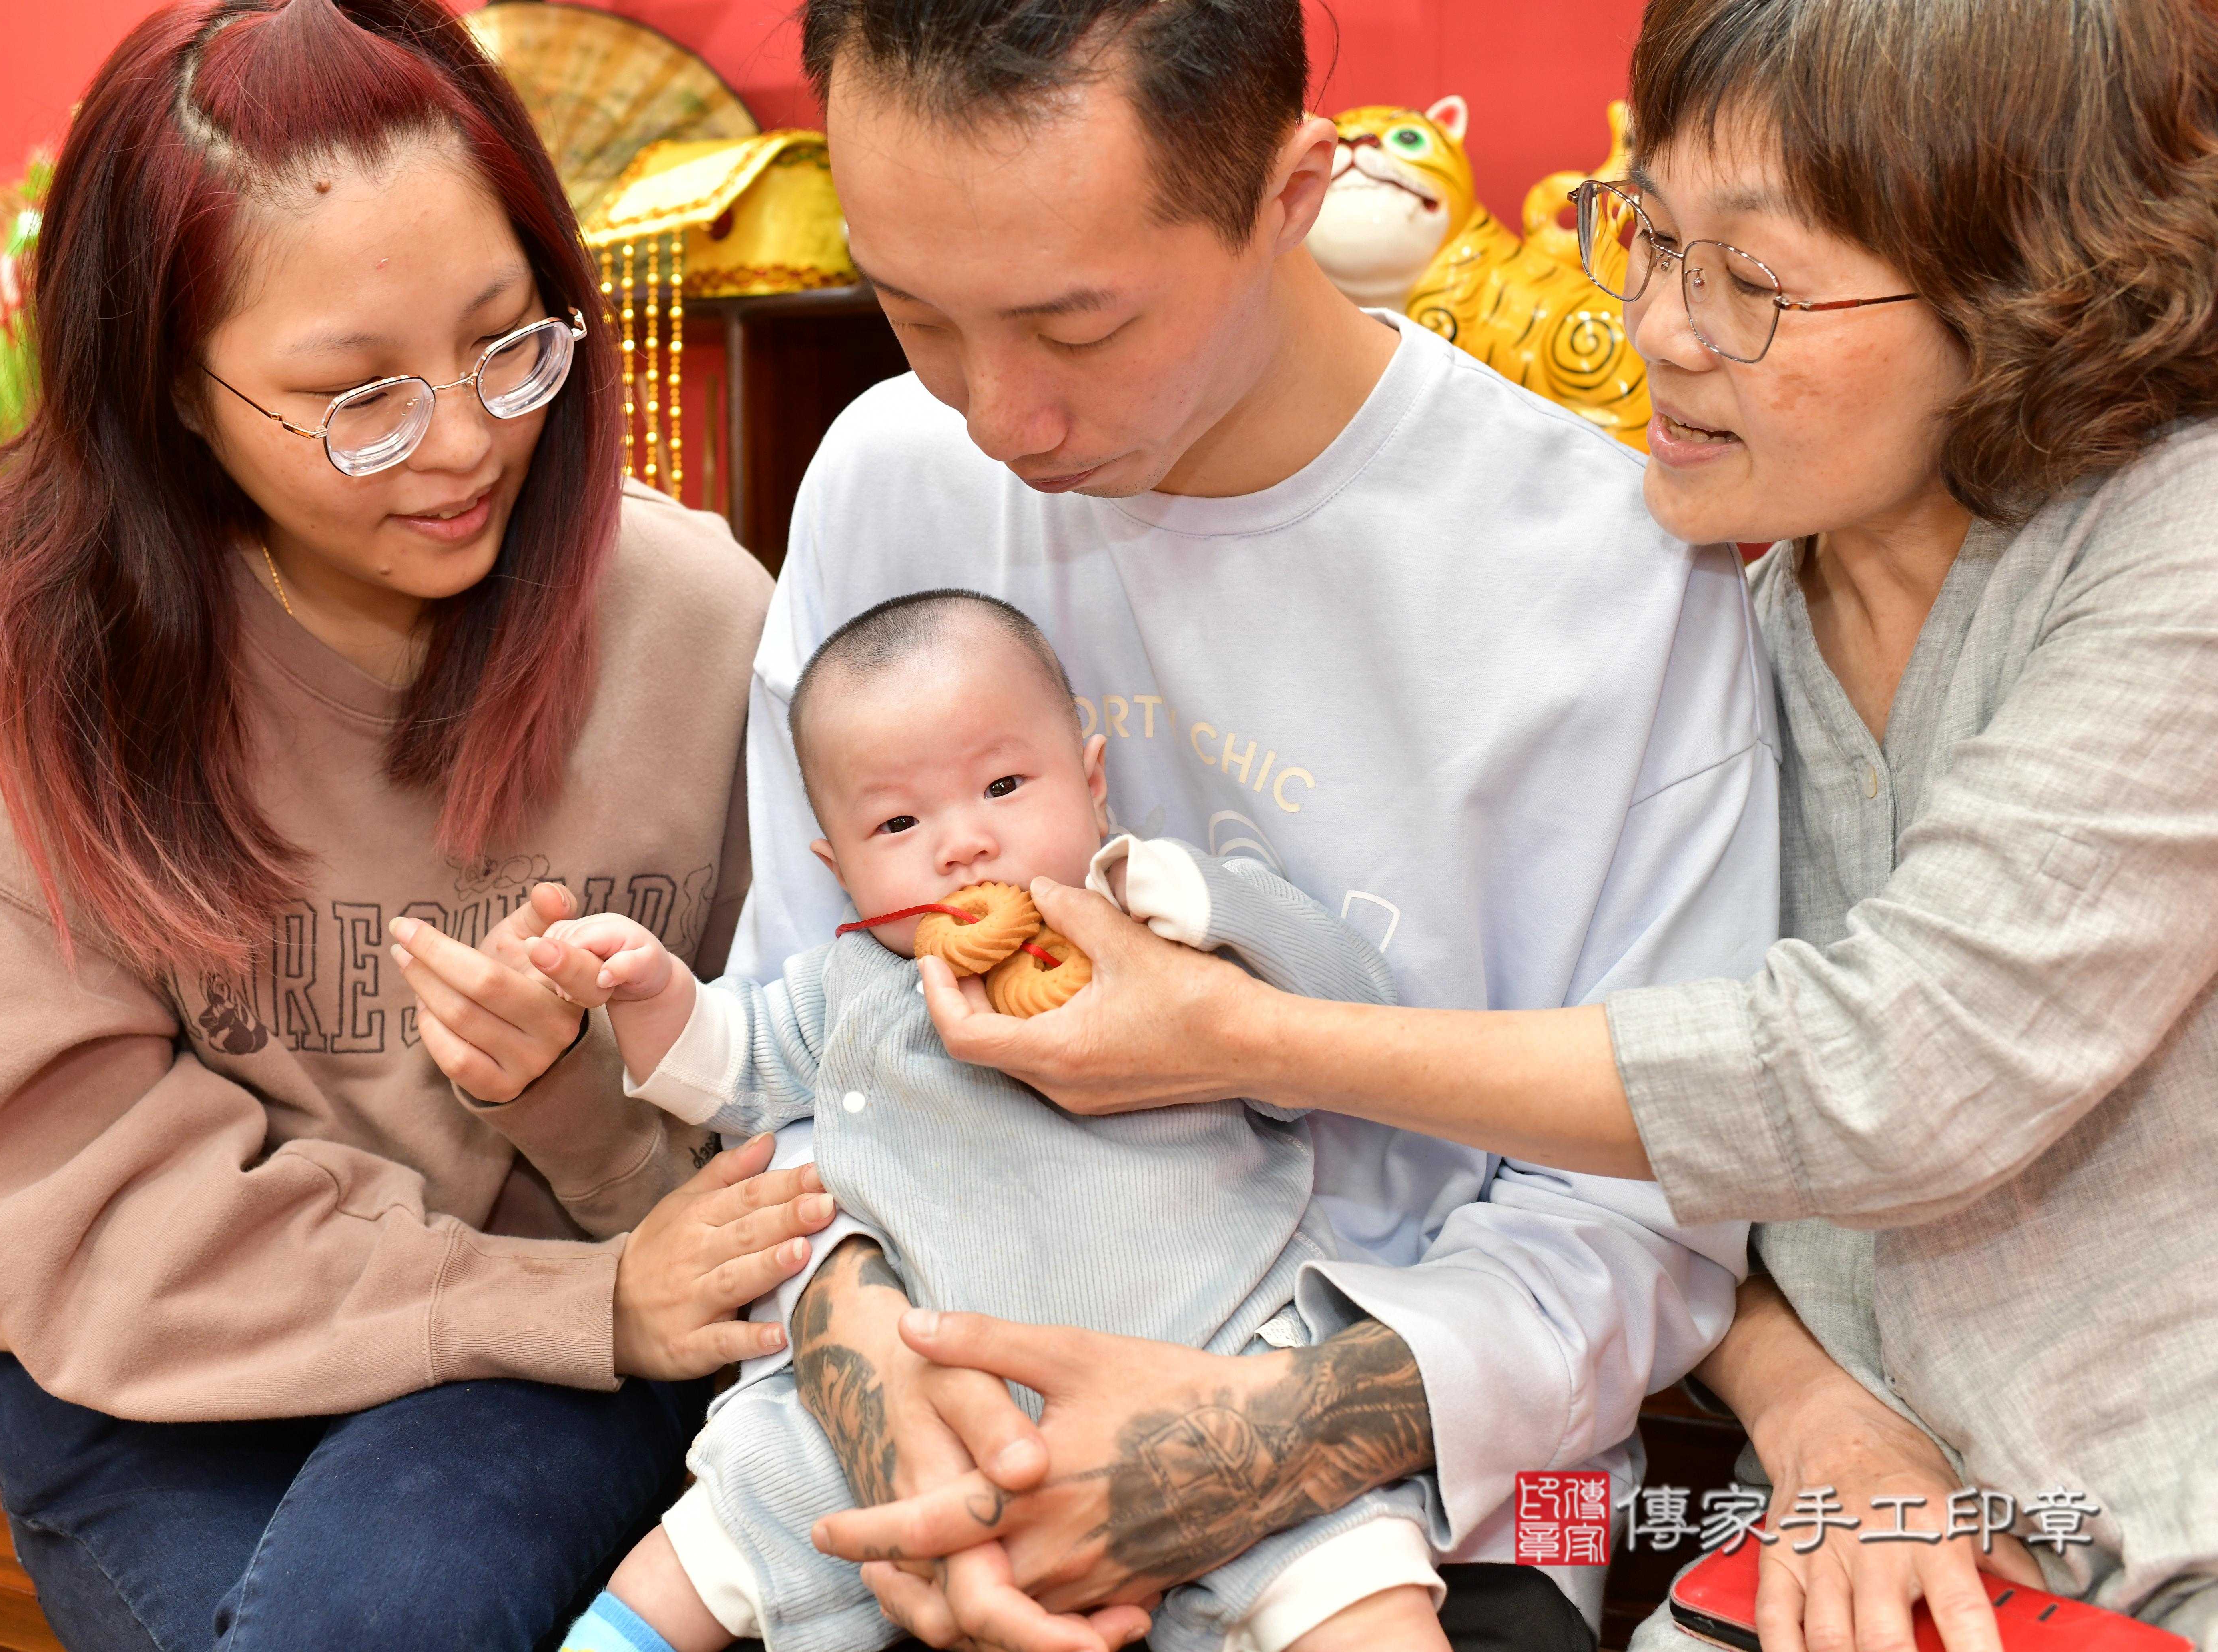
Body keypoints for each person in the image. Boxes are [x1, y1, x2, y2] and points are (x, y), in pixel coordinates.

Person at [852, 2, 2218, 1650]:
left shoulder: (2160, 556)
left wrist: (1247, 1036)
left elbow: (1874, 1076)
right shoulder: (1746, 573)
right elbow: (1708, 1174)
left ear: (2031, 290)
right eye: (1649, 237)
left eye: (1751, 282)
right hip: (1829, 1522)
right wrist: (1807, 1408)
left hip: (2136, 1517)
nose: (1658, 328)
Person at [720, 0, 1783, 1648]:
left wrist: (1229, 1450)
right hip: (926, 1476)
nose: (997, 415)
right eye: (915, 310)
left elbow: (1645, 1209)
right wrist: (894, 1408)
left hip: (1412, 1539)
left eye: (1077, 326)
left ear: (1295, 194)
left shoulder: (1602, 579)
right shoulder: (886, 474)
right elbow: (796, 1061)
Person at [0, 1, 830, 1646]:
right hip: (162, 1369)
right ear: (173, 392)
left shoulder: (697, 622)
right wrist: (566, 1291)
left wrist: (585, 1128)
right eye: (359, 399)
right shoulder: (51, 642)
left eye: (507, 343)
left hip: (566, 1353)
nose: (465, 445)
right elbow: (70, 1191)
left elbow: (793, 1124)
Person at [534, 590, 1428, 1652]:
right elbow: (732, 1074)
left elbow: (1355, 1026)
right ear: (840, 867)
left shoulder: (1171, 943)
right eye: (899, 825)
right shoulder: (856, 986)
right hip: (933, 1409)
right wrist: (653, 999)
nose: (964, 844)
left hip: (1208, 1371)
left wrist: (1208, 899)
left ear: (1095, 784)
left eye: (1005, 785)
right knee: (730, 1513)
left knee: (1354, 1577)